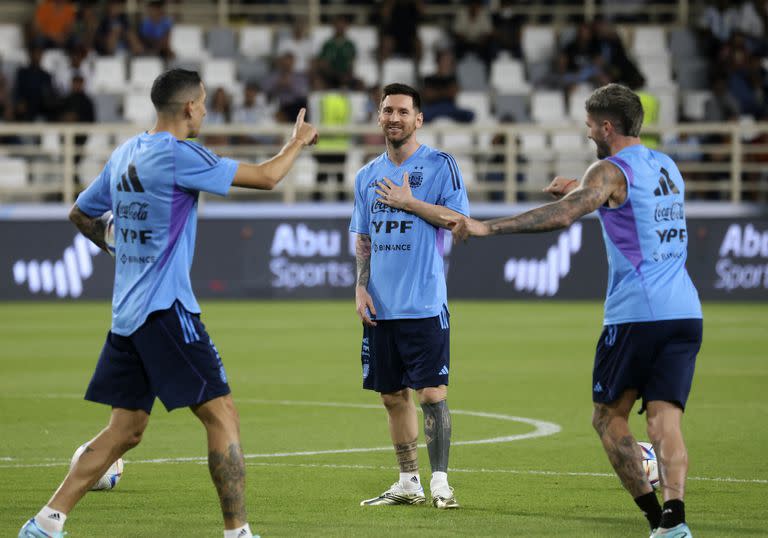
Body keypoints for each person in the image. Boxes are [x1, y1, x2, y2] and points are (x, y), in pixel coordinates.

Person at [18, 68, 318, 538]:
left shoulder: (125, 153)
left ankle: (44, 523)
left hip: (127, 315)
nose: (205, 109)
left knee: (126, 430)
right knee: (222, 415)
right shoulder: (181, 156)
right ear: (189, 108)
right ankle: (238, 533)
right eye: (202, 103)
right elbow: (267, 177)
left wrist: (115, 244)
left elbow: (80, 211)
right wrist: (297, 141)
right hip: (165, 310)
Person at [447, 83, 702, 537]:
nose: (588, 135)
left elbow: (565, 216)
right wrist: (583, 190)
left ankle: (652, 518)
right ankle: (675, 521)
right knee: (666, 420)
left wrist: (488, 227)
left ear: (607, 126)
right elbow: (630, 208)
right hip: (684, 312)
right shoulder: (665, 165)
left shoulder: (608, 170)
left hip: (635, 315)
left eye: (589, 127)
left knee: (607, 418)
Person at [350, 83, 469, 509]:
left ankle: (440, 482)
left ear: (418, 119)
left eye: (403, 111)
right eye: (387, 111)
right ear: (378, 117)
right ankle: (408, 482)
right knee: (391, 396)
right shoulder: (366, 175)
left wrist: (410, 202)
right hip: (381, 306)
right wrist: (360, 286)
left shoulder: (440, 166)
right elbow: (363, 237)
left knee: (432, 394)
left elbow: (459, 221)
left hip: (423, 303)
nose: (394, 118)